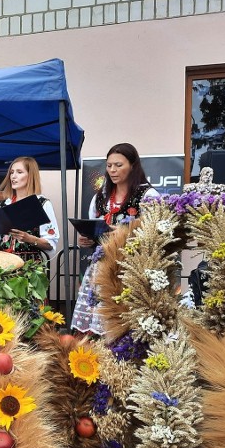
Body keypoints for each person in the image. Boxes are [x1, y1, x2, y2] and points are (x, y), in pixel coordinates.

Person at [71, 143, 160, 335]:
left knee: (123, 323)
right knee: (96, 321)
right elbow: (95, 227)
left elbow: (156, 233)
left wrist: (123, 233)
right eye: (109, 165)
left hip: (130, 269)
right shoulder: (100, 198)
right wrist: (87, 239)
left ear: (133, 165)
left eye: (118, 165)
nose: (112, 170)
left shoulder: (148, 195)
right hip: (101, 267)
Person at [0, 156, 60, 261]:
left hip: (30, 267)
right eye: (12, 172)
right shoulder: (4, 205)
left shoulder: (42, 204)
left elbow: (50, 244)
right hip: (6, 265)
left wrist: (29, 238)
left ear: (30, 176)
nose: (13, 176)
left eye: (19, 172)